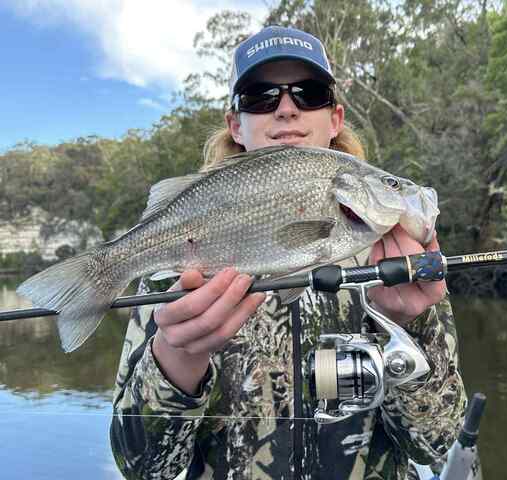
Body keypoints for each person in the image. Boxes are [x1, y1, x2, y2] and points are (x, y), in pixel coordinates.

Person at [110, 25, 469, 480]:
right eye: (261, 97)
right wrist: (177, 360)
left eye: (309, 93)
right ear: (235, 125)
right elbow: (144, 470)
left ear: (335, 119)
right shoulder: (177, 270)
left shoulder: (395, 262)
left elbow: (434, 443)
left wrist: (408, 328)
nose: (286, 108)